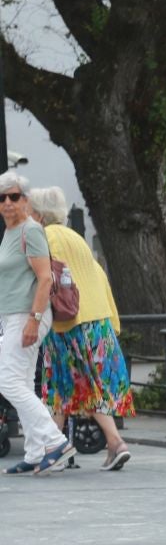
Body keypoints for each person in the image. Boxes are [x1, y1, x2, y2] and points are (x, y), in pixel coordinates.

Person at [30, 186, 134, 471]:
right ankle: (60, 448)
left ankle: (107, 443)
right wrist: (112, 319)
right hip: (96, 319)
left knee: (67, 384)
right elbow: (97, 275)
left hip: (68, 322)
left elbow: (43, 279)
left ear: (37, 213)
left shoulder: (45, 237)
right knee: (66, 387)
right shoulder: (75, 237)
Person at [0, 169, 69, 477]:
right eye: (2, 198)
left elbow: (45, 278)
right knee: (23, 382)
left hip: (28, 316)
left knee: (7, 380)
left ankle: (55, 442)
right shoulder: (10, 232)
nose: (7, 203)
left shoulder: (31, 230)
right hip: (13, 316)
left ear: (26, 200)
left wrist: (33, 320)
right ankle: (35, 451)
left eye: (14, 196)